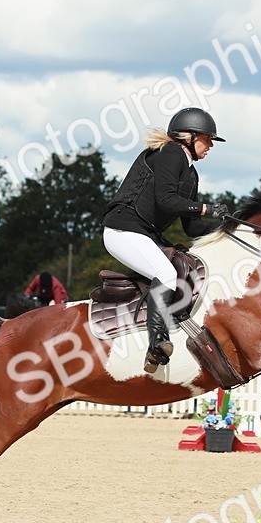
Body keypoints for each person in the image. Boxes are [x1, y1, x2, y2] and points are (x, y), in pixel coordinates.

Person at [102, 107, 227, 373]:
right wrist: (206, 208)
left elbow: (191, 228)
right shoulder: (170, 153)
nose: (211, 145)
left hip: (142, 234)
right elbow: (166, 201)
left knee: (181, 267)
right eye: (208, 138)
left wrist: (225, 226)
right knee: (165, 274)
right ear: (189, 137)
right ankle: (157, 344)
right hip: (123, 230)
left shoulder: (191, 174)